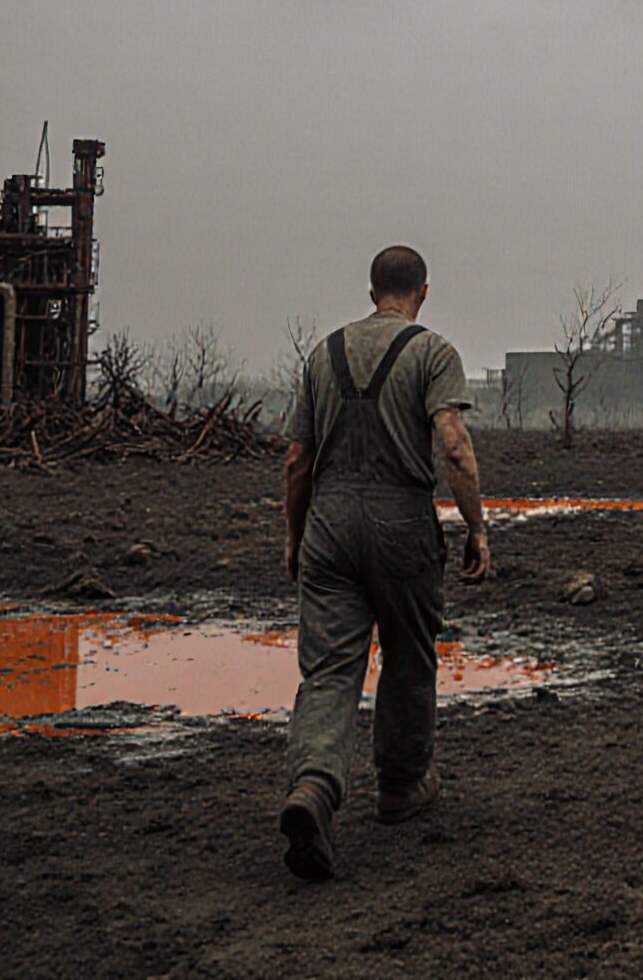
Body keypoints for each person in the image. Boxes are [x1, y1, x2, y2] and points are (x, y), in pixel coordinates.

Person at [276, 244, 492, 881]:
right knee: (408, 652)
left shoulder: (323, 355)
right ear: (422, 292)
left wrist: (295, 537)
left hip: (330, 525)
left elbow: (296, 461)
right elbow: (453, 446)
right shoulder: (432, 353)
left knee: (329, 669)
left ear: (372, 292)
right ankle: (400, 787)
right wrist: (477, 527)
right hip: (402, 521)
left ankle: (313, 788)